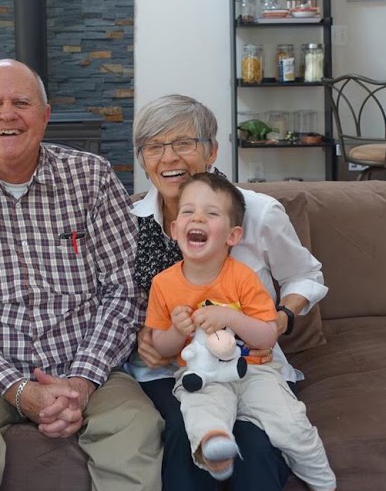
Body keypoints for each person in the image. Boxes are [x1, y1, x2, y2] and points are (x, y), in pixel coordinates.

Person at [0, 59, 163, 491]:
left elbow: (126, 289)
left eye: (21, 103)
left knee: (136, 424)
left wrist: (81, 381)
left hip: (88, 366)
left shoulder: (92, 177)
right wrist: (17, 388)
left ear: (45, 115)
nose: (7, 114)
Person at [126, 94, 329, 491]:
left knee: (254, 446)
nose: (169, 158)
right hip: (169, 370)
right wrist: (144, 337)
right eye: (154, 147)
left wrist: (281, 318)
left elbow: (305, 275)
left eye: (184, 143)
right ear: (143, 159)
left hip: (250, 362)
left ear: (212, 151)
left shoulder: (257, 211)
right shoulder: (129, 221)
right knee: (185, 437)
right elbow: (122, 302)